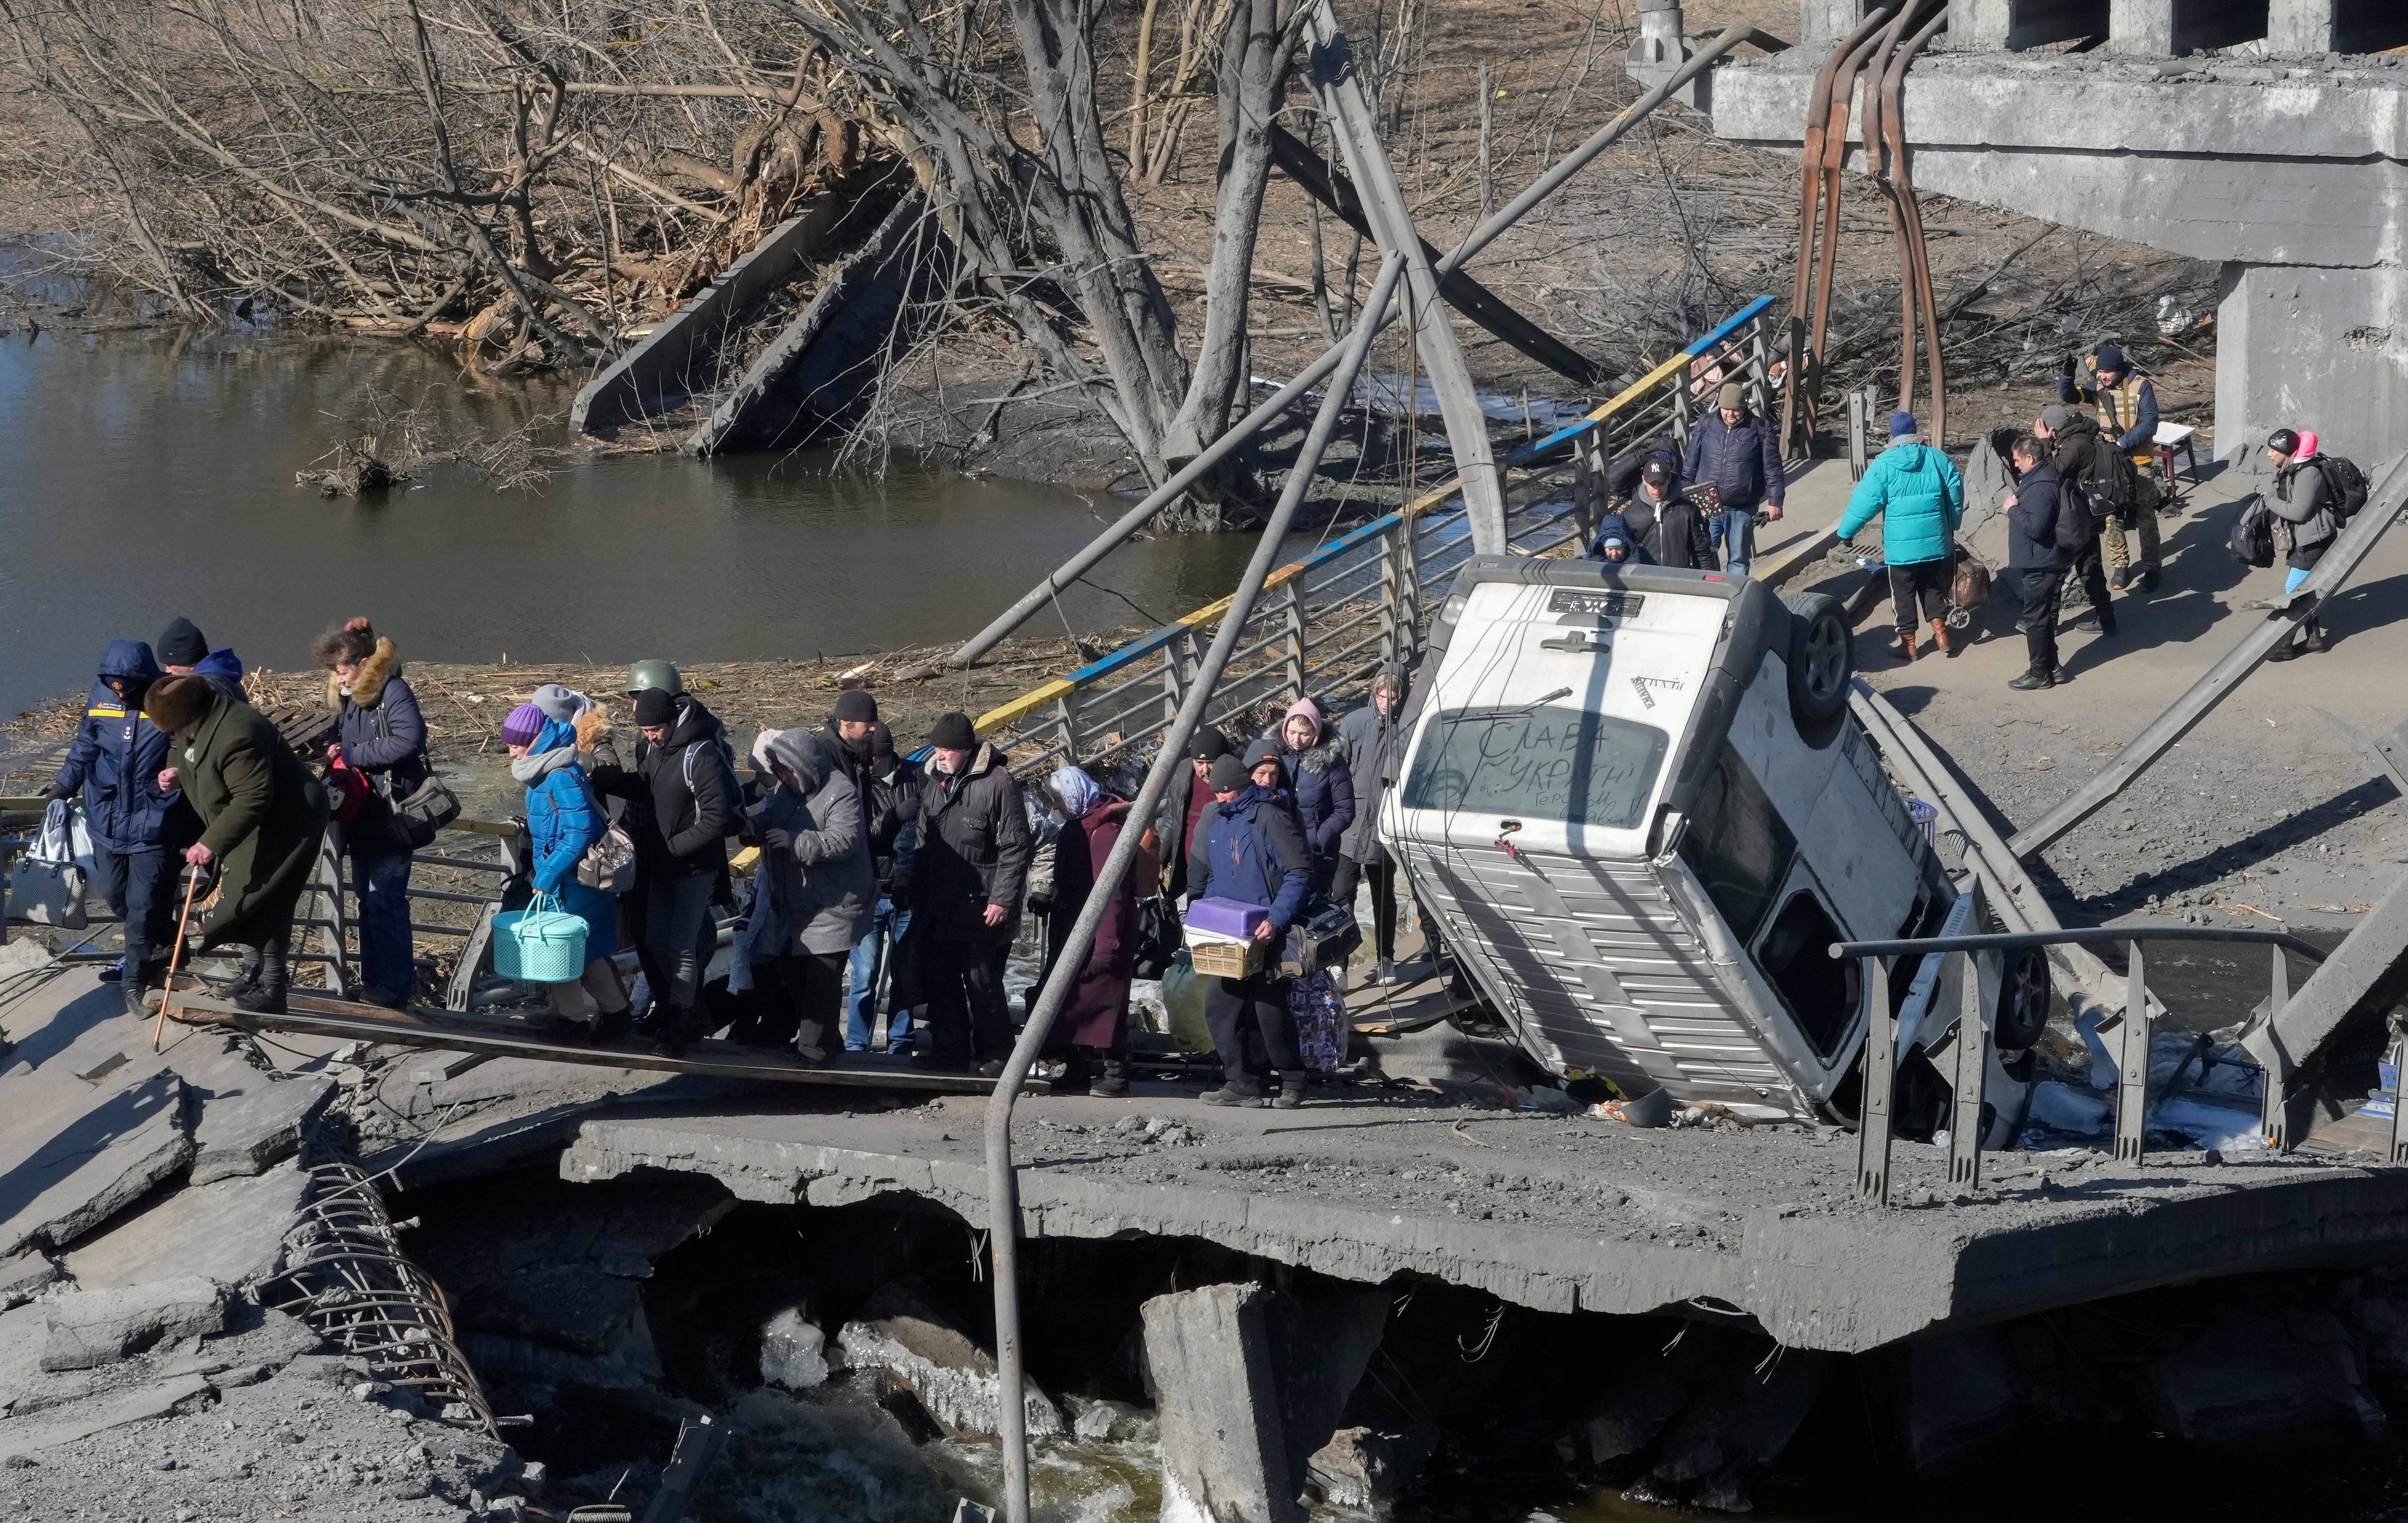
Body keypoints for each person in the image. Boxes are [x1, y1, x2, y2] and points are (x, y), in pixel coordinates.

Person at [140, 674, 328, 1015]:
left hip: (285, 823)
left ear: (189, 717)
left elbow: (253, 797)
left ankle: (272, 987)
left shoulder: (238, 733)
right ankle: (252, 973)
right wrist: (175, 773)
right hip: (249, 825)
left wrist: (210, 843)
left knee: (266, 900)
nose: (173, 737)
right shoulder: (198, 721)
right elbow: (187, 752)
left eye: (174, 729)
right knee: (240, 897)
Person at [590, 683, 742, 1054]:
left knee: (682, 947)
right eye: (644, 732)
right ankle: (670, 1010)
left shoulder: (701, 754)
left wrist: (674, 849)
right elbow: (649, 790)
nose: (650, 737)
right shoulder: (656, 749)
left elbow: (718, 819)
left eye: (655, 730)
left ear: (673, 721)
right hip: (662, 865)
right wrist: (612, 781)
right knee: (656, 942)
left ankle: (683, 1019)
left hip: (694, 868)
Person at [46, 641, 179, 1016]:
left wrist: (180, 779)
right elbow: (86, 745)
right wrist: (63, 786)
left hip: (153, 819)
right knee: (116, 896)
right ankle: (164, 942)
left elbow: (190, 749)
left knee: (140, 907)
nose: (120, 690)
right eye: (114, 684)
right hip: (105, 818)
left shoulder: (166, 700)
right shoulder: (101, 696)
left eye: (127, 685)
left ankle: (134, 983)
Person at [733, 730, 875, 1062]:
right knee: (792, 973)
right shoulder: (788, 791)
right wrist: (753, 829)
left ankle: (814, 1051)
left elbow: (844, 840)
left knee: (821, 982)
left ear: (803, 766)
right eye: (779, 771)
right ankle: (826, 1045)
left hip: (836, 904)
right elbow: (772, 818)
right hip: (798, 904)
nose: (783, 777)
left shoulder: (841, 792)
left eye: (787, 770)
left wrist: (796, 842)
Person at [1187, 753, 1314, 1109]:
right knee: (1221, 1005)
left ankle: (1294, 1080)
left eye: (1224, 792)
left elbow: (1300, 872)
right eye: (1215, 793)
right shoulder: (1220, 824)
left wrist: (1275, 920)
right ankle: (1242, 1081)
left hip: (1269, 932)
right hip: (1233, 935)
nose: (1219, 799)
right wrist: (1206, 916)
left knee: (1269, 1008)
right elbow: (1215, 878)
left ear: (1239, 788)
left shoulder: (1271, 817)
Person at [314, 617, 428, 1008]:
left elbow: (409, 740)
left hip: (392, 816)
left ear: (364, 664)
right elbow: (344, 736)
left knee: (386, 903)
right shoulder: (353, 699)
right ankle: (375, 983)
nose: (338, 680)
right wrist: (333, 746)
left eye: (342, 671)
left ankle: (394, 989)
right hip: (365, 818)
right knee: (367, 902)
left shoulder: (394, 691)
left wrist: (352, 756)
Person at [913, 711, 1034, 1075]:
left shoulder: (998, 783)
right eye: (937, 749)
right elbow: (922, 838)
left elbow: (1016, 847)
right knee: (941, 978)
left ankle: (997, 1054)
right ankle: (949, 1051)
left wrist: (1003, 899)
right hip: (940, 902)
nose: (941, 756)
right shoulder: (935, 782)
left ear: (966, 750)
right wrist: (912, 887)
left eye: (948, 750)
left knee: (982, 981)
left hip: (981, 903)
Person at [501, 703, 631, 1041]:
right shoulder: (544, 770)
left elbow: (579, 833)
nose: (510, 751)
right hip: (563, 881)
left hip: (571, 883)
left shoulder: (557, 775)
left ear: (534, 741)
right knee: (572, 953)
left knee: (573, 953)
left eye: (515, 744)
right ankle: (591, 1019)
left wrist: (547, 875)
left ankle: (600, 1018)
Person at [1039, 765, 1141, 1097]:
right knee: (1073, 1002)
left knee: (1105, 1003)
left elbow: (1113, 894)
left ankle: (1116, 1071)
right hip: (1074, 928)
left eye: (1059, 800)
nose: (1056, 807)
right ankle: (1077, 1069)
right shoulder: (1077, 826)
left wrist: (1107, 946)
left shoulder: (1105, 832)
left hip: (1101, 932)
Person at [1837, 411, 1966, 662]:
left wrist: (1847, 533)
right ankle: (1942, 637)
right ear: (1915, 432)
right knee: (1931, 588)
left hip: (1901, 549)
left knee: (1903, 594)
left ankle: (1909, 646)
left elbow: (1864, 502)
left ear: (1894, 435)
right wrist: (1954, 523)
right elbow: (1956, 494)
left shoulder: (1883, 465)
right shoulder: (1938, 458)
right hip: (1935, 542)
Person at [2058, 344, 2162, 591]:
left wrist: (2124, 442)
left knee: (2145, 515)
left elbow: (2150, 423)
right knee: (2110, 515)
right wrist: (2066, 376)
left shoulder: (2141, 387)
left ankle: (2152, 567)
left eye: (2106, 372)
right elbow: (2070, 396)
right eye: (2099, 372)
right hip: (2110, 464)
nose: (2101, 377)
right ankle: (2120, 565)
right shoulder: (2098, 389)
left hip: (2138, 462)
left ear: (2118, 369)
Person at [846, 722, 922, 1056]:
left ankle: (901, 1044)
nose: (866, 764)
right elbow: (861, 835)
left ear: (886, 756)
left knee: (905, 975)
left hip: (908, 892)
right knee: (864, 975)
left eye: (871, 758)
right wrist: (894, 817)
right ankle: (856, 1044)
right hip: (870, 891)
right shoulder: (857, 784)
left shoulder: (919, 777)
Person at [1335, 664, 1408, 987]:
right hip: (1349, 824)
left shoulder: (1409, 727)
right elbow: (1335, 770)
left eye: (1393, 697)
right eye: (1381, 696)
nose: (1385, 703)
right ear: (1373, 693)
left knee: (1383, 896)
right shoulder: (1353, 723)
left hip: (1384, 825)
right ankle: (1339, 963)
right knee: (1341, 894)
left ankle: (1386, 960)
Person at [1680, 381, 1786, 575]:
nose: (1731, 414)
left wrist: (1776, 501)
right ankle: (1709, 593)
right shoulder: (1705, 424)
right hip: (1707, 502)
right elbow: (1690, 461)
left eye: (1736, 410)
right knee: (1705, 552)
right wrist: (1684, 492)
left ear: (1745, 408)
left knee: (1738, 558)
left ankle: (1734, 597)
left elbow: (1773, 467)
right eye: (1726, 409)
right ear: (1720, 406)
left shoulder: (1760, 429)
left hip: (1743, 506)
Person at [2034, 404, 2117, 636]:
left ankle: (2048, 627)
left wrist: (2043, 442)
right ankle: (2107, 620)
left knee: (2057, 571)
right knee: (2091, 569)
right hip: (2085, 516)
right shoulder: (2077, 437)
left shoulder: (2075, 446)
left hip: (2076, 519)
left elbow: (2051, 475)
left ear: (2052, 430)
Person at [2006, 434, 2073, 691]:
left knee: (2034, 621)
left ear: (2030, 458)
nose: (2016, 465)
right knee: (2042, 619)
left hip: (2041, 564)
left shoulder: (2041, 486)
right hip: (2044, 560)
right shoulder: (2042, 477)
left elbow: (2036, 527)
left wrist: (2012, 509)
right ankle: (2053, 668)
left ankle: (2039, 675)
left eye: (2018, 460)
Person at [2262, 428, 2335, 661]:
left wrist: (2268, 500)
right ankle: (2315, 641)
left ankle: (2285, 644)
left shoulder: (2308, 474)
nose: (2269, 454)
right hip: (2304, 538)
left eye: (2273, 450)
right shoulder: (2292, 469)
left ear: (2287, 452)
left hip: (2314, 541)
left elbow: (2298, 512)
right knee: (2305, 590)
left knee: (2293, 592)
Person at [1269, 699, 1353, 897]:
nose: (1296, 740)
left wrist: (1318, 838)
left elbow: (1345, 810)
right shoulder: (1274, 755)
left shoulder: (1332, 763)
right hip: (1280, 845)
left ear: (1315, 733)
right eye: (1292, 732)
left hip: (1318, 853)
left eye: (1304, 734)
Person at [1155, 726, 1232, 901]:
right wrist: (1159, 859)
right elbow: (1171, 818)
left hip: (1224, 869)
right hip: (1190, 868)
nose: (1205, 770)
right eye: (1199, 763)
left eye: (1211, 762)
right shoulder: (1183, 775)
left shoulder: (1236, 778)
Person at [1618, 456, 1713, 569]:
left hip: (1679, 578)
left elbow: (1701, 551)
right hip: (1644, 580)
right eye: (1653, 484)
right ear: (1644, 480)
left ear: (1669, 479)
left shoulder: (1688, 510)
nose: (1657, 490)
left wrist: (1707, 581)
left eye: (1661, 484)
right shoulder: (1630, 514)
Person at [156, 617, 249, 703]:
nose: (167, 671)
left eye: (170, 664)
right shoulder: (222, 675)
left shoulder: (204, 689)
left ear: (187, 659)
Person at [821, 688, 878, 790]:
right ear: (845, 722)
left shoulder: (861, 748)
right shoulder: (822, 754)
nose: (873, 728)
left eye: (874, 722)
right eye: (867, 723)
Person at [1585, 511, 1655, 566]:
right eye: (1610, 549)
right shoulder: (1592, 559)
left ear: (1625, 546)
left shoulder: (1642, 556)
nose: (1614, 554)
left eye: (1618, 549)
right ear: (1604, 548)